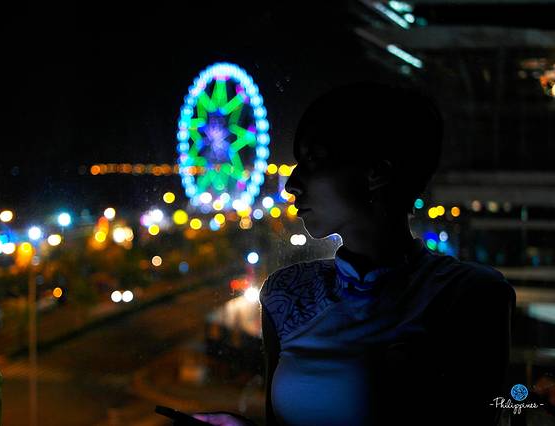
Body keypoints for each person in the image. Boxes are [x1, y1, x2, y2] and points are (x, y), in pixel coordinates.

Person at [192, 81, 516, 426]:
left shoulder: (472, 296)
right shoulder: (283, 292)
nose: (292, 184)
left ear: (377, 172)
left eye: (314, 160)